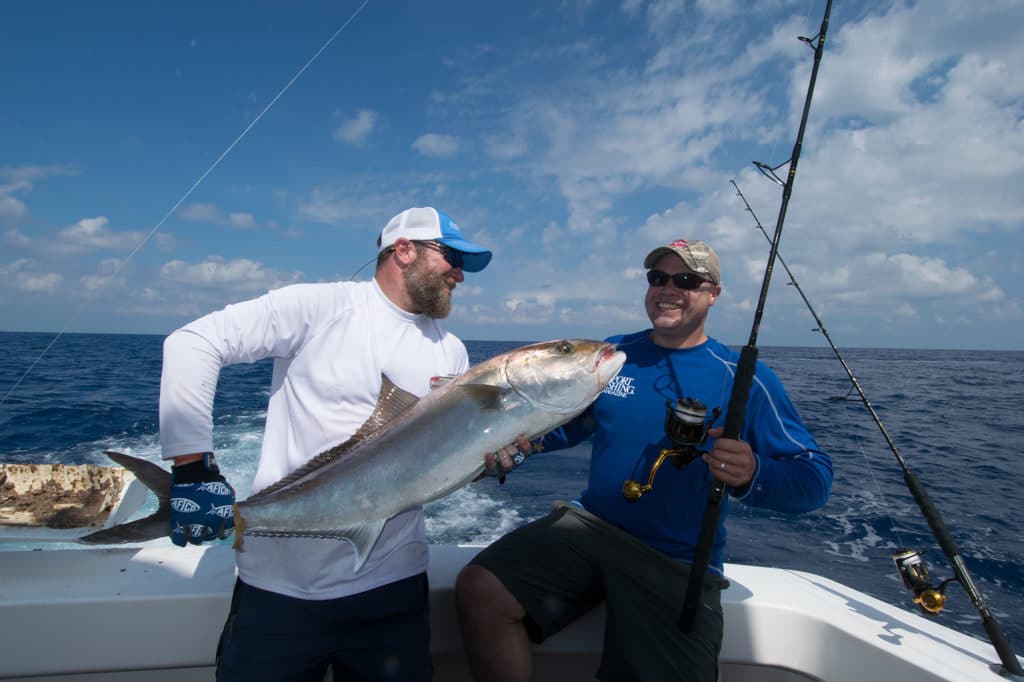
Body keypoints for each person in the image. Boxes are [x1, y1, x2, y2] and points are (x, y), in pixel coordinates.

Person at [456, 238, 834, 681]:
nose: (668, 289)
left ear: (714, 294)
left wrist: (753, 473)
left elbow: (814, 477)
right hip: (590, 526)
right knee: (481, 589)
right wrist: (512, 452)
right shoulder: (614, 355)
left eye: (686, 280)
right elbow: (560, 426)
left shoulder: (743, 376)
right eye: (658, 278)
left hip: (676, 557)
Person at [159, 206, 493, 681]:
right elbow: (192, 343)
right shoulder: (320, 307)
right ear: (403, 250)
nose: (459, 274)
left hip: (393, 591)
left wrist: (492, 459)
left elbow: (440, 460)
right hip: (279, 592)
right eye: (451, 256)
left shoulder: (451, 350)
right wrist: (192, 469)